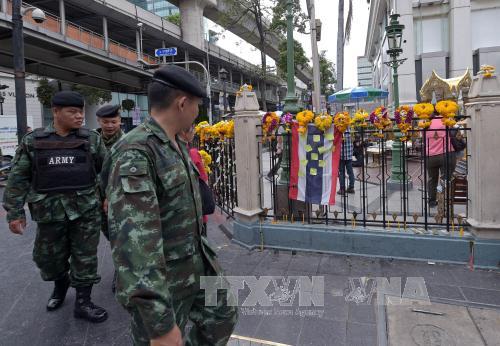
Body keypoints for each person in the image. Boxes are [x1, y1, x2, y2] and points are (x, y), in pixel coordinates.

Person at [101, 65, 238, 346]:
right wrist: (158, 321)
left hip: (198, 263)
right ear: (183, 103)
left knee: (223, 316)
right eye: (197, 105)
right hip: (164, 278)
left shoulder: (172, 143)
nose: (197, 113)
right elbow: (135, 244)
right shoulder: (136, 152)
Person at [2, 91, 108, 322]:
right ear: (56, 112)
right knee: (47, 259)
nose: (79, 116)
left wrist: (108, 196)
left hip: (85, 211)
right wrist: (15, 212)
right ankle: (60, 283)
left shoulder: (92, 139)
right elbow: (18, 177)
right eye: (73, 112)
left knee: (85, 257)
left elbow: (108, 170)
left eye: (81, 111)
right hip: (49, 213)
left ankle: (83, 301)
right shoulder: (34, 141)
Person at [179, 124, 214, 237]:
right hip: (197, 209)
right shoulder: (193, 153)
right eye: (192, 129)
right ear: (185, 133)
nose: (194, 132)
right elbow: (204, 179)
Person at [425, 116, 456, 208]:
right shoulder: (445, 121)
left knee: (432, 179)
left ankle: (432, 201)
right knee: (445, 179)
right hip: (446, 154)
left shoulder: (426, 123)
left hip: (430, 156)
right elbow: (454, 132)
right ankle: (444, 200)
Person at [338, 127, 355, 194]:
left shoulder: (339, 129)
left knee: (341, 172)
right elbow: (353, 140)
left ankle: (342, 189)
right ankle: (351, 187)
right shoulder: (351, 129)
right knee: (350, 172)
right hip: (349, 154)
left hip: (341, 155)